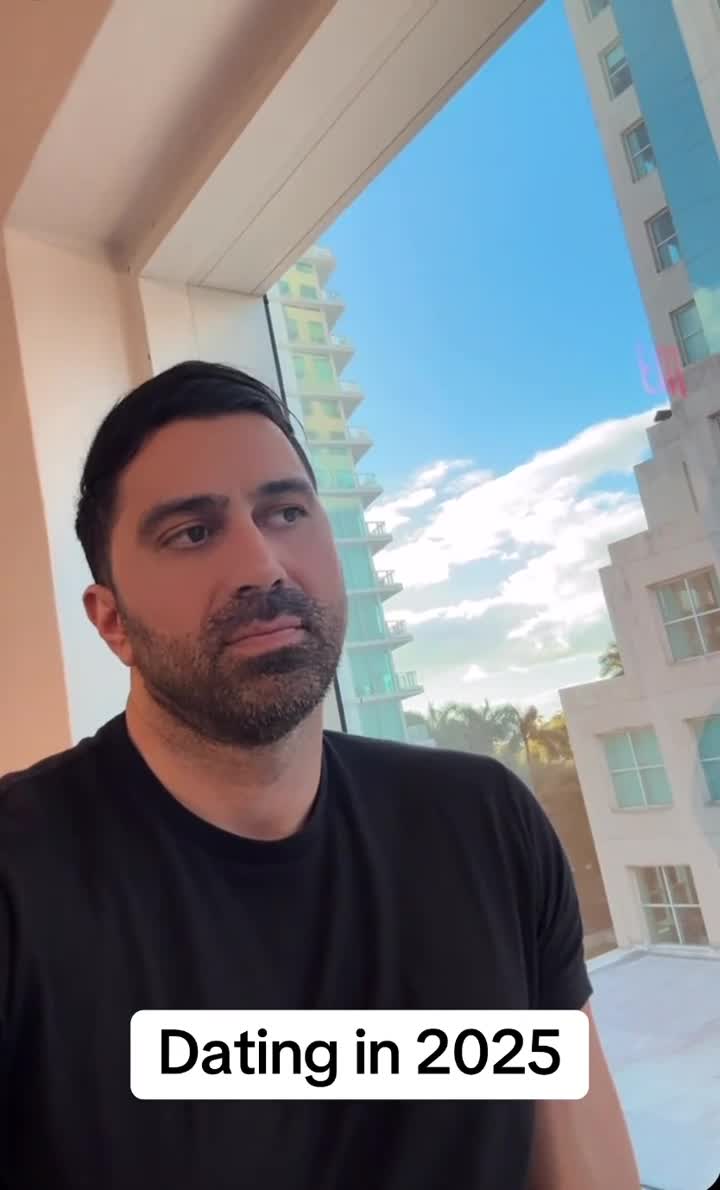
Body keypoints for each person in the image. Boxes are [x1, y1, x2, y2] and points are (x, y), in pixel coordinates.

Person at [0, 361, 640, 1189]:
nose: (262, 566)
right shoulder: (21, 880)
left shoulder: (485, 825)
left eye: (286, 512)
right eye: (192, 532)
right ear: (112, 621)